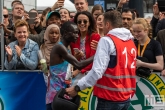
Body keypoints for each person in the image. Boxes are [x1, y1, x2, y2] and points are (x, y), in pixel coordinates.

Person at [66, 10, 137, 110]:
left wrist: (77, 88)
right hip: (126, 97)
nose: (102, 27)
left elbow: (97, 71)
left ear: (107, 24)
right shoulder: (130, 41)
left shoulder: (107, 40)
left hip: (109, 97)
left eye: (103, 24)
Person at [46, 21, 93, 110]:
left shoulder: (66, 48)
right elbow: (79, 65)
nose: (77, 35)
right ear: (65, 33)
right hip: (55, 97)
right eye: (74, 32)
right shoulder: (59, 47)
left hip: (62, 95)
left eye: (77, 33)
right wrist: (98, 54)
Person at [70, 11, 100, 77]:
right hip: (75, 73)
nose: (82, 23)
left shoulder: (95, 37)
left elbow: (94, 59)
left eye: (85, 21)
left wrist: (79, 71)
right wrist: (75, 57)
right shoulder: (73, 38)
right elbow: (71, 59)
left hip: (90, 73)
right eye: (79, 22)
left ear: (89, 23)